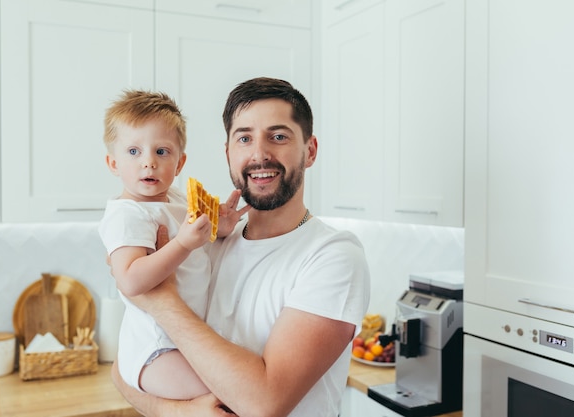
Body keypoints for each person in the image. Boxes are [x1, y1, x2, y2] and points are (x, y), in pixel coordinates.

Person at [111, 78, 371, 416]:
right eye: (244, 138)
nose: (260, 154)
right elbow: (124, 368)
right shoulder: (206, 238)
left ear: (310, 151)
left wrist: (161, 301)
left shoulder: (333, 257)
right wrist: (176, 412)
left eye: (278, 137)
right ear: (228, 153)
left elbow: (265, 403)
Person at [98, 90, 245, 400]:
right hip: (156, 351)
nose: (149, 163)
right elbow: (130, 279)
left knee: (234, 388)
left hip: (183, 339)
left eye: (162, 152)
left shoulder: (177, 199)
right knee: (230, 396)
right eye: (134, 152)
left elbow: (198, 234)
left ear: (180, 163)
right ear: (113, 163)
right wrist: (182, 244)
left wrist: (220, 228)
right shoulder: (127, 214)